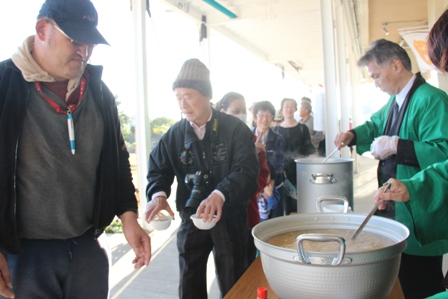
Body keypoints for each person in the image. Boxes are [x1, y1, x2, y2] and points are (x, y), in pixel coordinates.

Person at [0, 0, 151, 298]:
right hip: (22, 254)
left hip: (87, 248)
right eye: (75, 39)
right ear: (43, 29)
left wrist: (129, 215)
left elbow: (117, 160)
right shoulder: (4, 86)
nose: (84, 50)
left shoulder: (98, 91)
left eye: (90, 42)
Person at [334, 38, 448, 299]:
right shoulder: (397, 100)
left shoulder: (431, 100)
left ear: (396, 65)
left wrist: (399, 145)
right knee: (401, 280)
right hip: (395, 208)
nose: (375, 83)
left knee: (422, 284)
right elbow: (374, 125)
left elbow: (444, 151)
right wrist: (352, 135)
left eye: (376, 76)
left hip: (418, 208)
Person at [145, 59, 259, 299]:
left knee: (233, 281)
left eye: (188, 95)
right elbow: (158, 167)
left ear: (207, 95)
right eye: (178, 97)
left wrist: (220, 194)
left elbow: (247, 170)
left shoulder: (235, 129)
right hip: (191, 218)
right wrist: (158, 194)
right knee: (189, 281)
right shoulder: (175, 133)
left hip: (229, 218)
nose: (183, 104)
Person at [215, 91, 269, 269]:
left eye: (244, 110)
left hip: (248, 215)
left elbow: (262, 176)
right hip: (219, 218)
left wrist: (252, 159)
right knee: (227, 270)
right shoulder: (215, 142)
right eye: (236, 110)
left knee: (247, 266)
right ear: (223, 113)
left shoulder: (254, 140)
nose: (241, 114)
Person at [273, 98, 315, 215]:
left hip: (300, 172)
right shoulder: (276, 130)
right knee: (285, 207)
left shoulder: (302, 128)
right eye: (286, 106)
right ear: (281, 110)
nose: (289, 109)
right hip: (282, 174)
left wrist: (314, 162)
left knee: (300, 205)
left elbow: (309, 147)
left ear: (296, 109)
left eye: (292, 106)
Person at [252, 101, 285, 218]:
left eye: (268, 115)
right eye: (261, 115)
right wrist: (259, 186)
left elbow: (278, 164)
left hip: (274, 187)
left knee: (275, 224)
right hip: (254, 188)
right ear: (255, 117)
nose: (265, 119)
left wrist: (269, 185)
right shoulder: (247, 137)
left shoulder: (278, 138)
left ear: (272, 118)